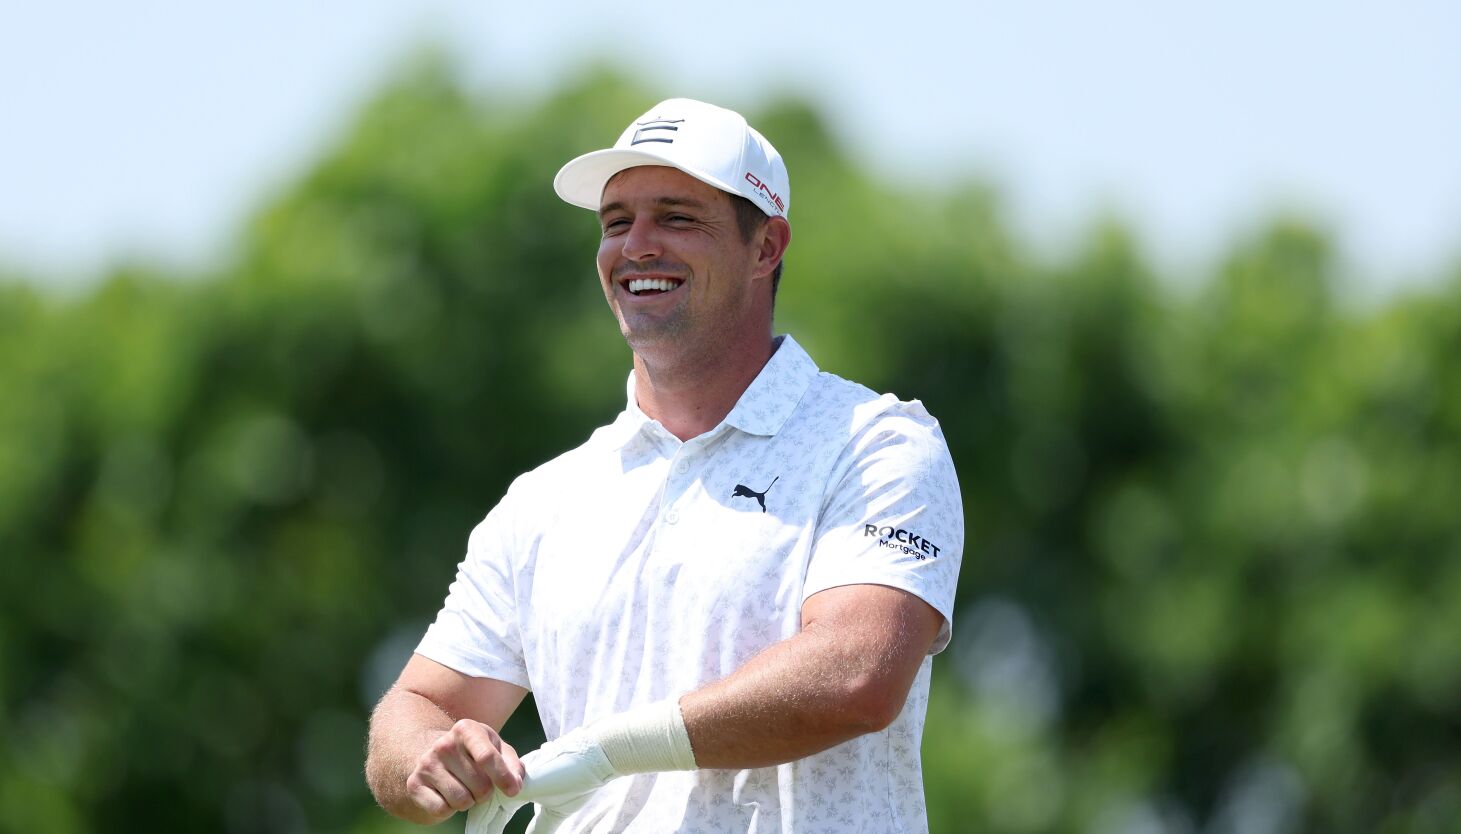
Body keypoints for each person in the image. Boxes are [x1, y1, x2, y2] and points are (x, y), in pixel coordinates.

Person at [365, 98, 964, 834]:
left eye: (677, 217)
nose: (636, 245)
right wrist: (426, 757)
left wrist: (605, 751)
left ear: (765, 247)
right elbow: (421, 706)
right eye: (616, 222)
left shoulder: (874, 444)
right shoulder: (544, 501)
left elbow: (856, 676)